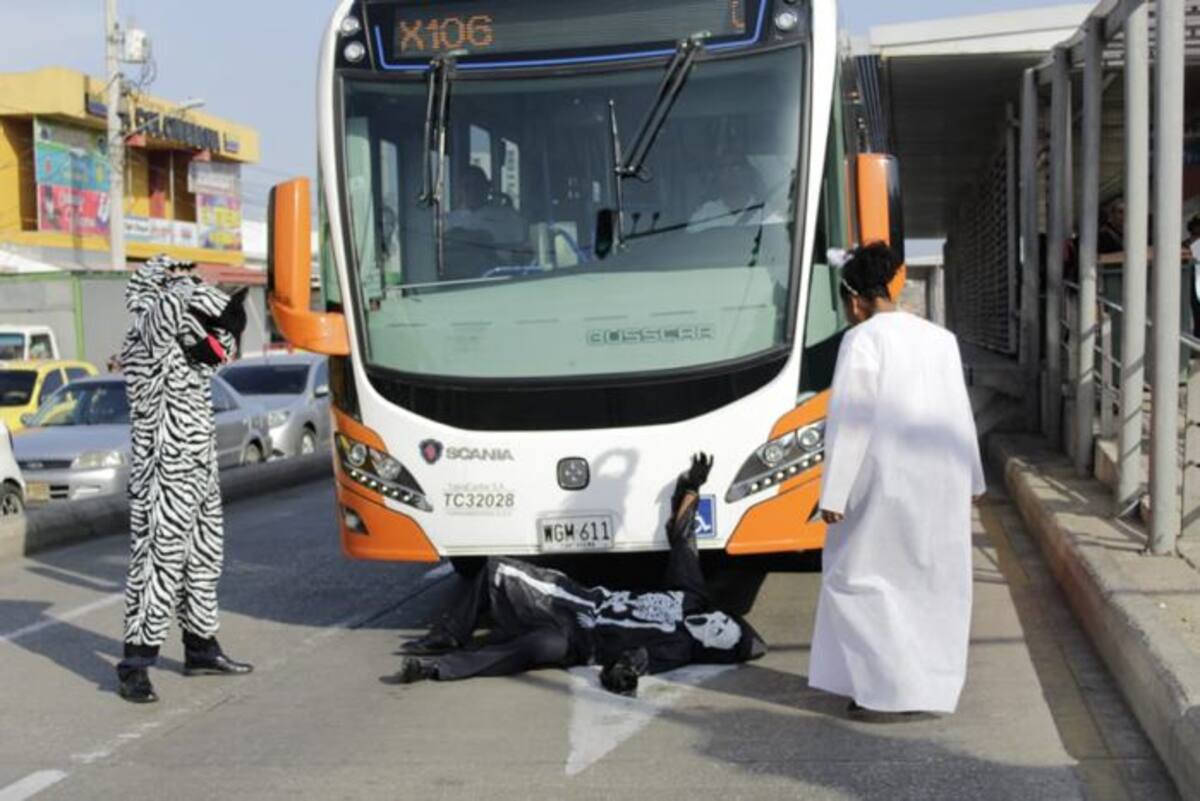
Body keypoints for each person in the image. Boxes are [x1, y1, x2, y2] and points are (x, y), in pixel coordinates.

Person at [392, 454, 767, 695]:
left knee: (536, 648)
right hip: (572, 600)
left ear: (711, 647)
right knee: (496, 570)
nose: (715, 623)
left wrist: (622, 676)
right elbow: (683, 538)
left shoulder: (679, 647)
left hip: (577, 641)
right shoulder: (690, 597)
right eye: (725, 622)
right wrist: (691, 486)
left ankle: (436, 668)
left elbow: (637, 659)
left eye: (719, 635)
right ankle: (448, 636)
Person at [811, 242, 984, 717]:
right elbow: (959, 411)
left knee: (861, 581)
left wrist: (835, 491)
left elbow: (852, 420)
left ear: (853, 299)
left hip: (884, 483)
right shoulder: (940, 338)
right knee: (932, 585)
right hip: (943, 479)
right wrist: (973, 478)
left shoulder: (863, 339)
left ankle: (884, 691)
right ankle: (928, 689)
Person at [115, 255, 252, 703]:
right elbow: (166, 311)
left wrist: (230, 318)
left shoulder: (181, 334)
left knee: (203, 560)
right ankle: (135, 663)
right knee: (157, 564)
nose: (192, 288)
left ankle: (201, 648)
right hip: (163, 470)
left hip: (198, 467)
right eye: (180, 283)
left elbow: (218, 351)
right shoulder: (144, 337)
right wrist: (185, 282)